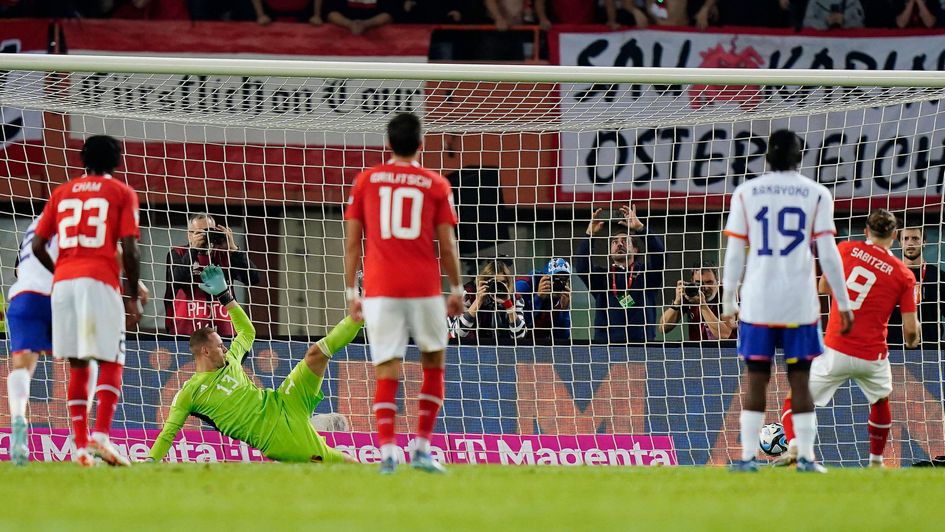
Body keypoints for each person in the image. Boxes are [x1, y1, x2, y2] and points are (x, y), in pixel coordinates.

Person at [721, 129, 853, 473]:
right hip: (799, 303)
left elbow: (734, 253)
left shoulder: (746, 192)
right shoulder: (817, 193)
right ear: (799, 157)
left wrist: (728, 298)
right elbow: (828, 253)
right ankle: (806, 458)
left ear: (766, 158)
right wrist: (843, 302)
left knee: (756, 378)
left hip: (758, 302)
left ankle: (747, 458)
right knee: (800, 380)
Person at [344, 112, 464, 474]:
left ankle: (387, 455)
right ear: (421, 145)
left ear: (388, 143)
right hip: (424, 288)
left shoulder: (367, 181)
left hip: (380, 290)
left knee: (387, 368)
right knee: (433, 363)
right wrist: (457, 288)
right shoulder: (436, 184)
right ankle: (422, 449)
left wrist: (351, 291)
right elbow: (447, 245)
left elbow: (352, 242)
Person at [148, 266, 363, 463]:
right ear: (205, 351)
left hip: (283, 401)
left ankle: (362, 307)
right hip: (278, 437)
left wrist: (225, 296)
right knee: (343, 464)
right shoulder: (190, 393)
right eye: (220, 346)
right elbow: (168, 432)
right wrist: (149, 461)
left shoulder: (231, 360)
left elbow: (247, 331)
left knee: (315, 354)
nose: (225, 349)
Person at [774, 210, 920, 468]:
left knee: (795, 396)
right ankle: (876, 462)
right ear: (895, 236)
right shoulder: (904, 274)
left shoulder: (845, 249)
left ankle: (795, 445)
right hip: (872, 355)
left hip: (836, 348)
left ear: (866, 231)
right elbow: (910, 331)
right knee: (880, 400)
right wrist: (912, 339)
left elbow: (823, 287)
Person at [32, 134, 143, 467]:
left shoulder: (61, 192)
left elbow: (38, 245)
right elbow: (131, 249)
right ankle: (102, 435)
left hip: (64, 284)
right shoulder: (121, 192)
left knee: (78, 362)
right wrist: (132, 295)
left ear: (83, 159)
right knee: (112, 357)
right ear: (117, 161)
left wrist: (62, 272)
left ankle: (80, 447)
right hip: (99, 280)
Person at [5, 218, 57, 465]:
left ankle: (18, 419)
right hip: (56, 297)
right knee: (84, 359)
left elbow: (20, 269)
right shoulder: (76, 218)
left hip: (22, 297)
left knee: (22, 369)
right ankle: (85, 439)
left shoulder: (35, 225)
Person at [574, 204, 665, 344]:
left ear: (635, 250)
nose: (619, 244)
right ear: (610, 251)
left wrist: (640, 229)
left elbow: (660, 255)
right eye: (614, 242)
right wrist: (589, 234)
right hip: (606, 346)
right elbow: (582, 267)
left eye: (625, 241)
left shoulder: (647, 274)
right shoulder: (602, 276)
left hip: (642, 346)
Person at [164, 213, 260, 336]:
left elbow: (253, 278)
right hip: (187, 329)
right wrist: (193, 250)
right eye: (200, 233)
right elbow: (175, 280)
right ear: (189, 235)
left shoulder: (224, 254)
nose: (205, 236)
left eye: (209, 231)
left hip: (224, 329)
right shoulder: (178, 253)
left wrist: (233, 249)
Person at [888, 226, 945, 349]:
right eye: (905, 239)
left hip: (930, 350)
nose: (910, 243)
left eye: (915, 238)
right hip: (894, 349)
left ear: (924, 242)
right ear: (900, 243)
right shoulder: (889, 275)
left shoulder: (939, 276)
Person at [452, 260, 528, 344]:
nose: (498, 287)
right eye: (494, 283)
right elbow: (457, 334)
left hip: (504, 347)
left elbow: (520, 337)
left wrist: (508, 304)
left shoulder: (515, 298)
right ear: (484, 282)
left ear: (509, 283)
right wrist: (478, 301)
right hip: (472, 347)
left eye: (503, 282)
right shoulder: (470, 294)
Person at [658, 262, 736, 341]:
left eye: (709, 282)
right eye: (698, 283)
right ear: (692, 282)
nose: (705, 287)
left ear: (717, 281)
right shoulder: (691, 293)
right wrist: (677, 302)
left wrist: (702, 304)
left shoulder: (727, 295)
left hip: (728, 347)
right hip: (697, 347)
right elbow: (662, 328)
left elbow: (724, 335)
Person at [514, 258, 572, 344]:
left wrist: (564, 311)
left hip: (541, 343)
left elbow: (562, 338)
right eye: (555, 279)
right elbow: (518, 325)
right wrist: (538, 298)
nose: (558, 284)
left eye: (563, 280)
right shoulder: (524, 286)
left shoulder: (562, 296)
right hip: (516, 341)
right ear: (544, 277)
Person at [324, 0, 394, 35]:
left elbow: (390, 13)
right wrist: (349, 24)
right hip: (343, 30)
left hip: (377, 30)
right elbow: (331, 12)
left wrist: (366, 24)